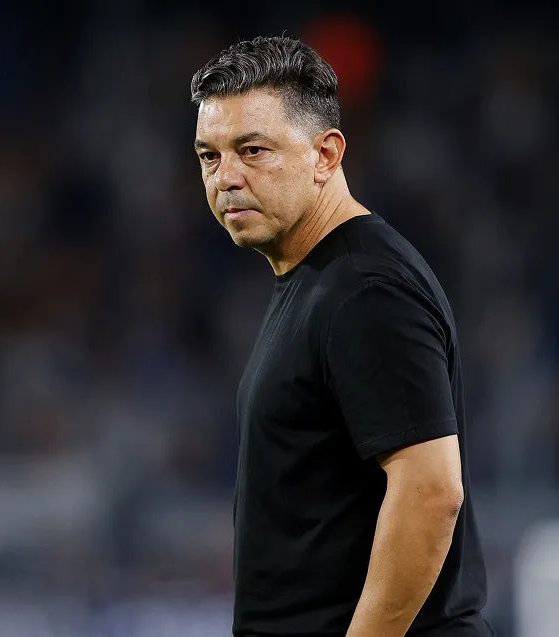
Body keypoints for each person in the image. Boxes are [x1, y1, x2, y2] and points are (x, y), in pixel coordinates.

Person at [190, 36, 495, 637]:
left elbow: (431, 488)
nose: (226, 178)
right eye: (209, 156)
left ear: (325, 155)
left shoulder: (364, 288)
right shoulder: (318, 278)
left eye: (253, 150)